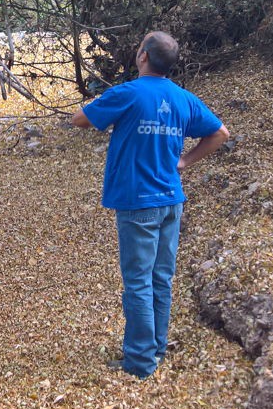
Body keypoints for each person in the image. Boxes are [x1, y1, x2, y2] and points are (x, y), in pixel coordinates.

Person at [71, 31, 230, 378]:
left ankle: (141, 363)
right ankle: (155, 348)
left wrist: (96, 103)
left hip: (137, 201)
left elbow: (80, 120)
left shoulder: (127, 93)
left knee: (139, 281)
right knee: (161, 277)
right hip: (172, 200)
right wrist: (185, 161)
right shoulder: (183, 98)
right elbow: (220, 133)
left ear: (143, 56)